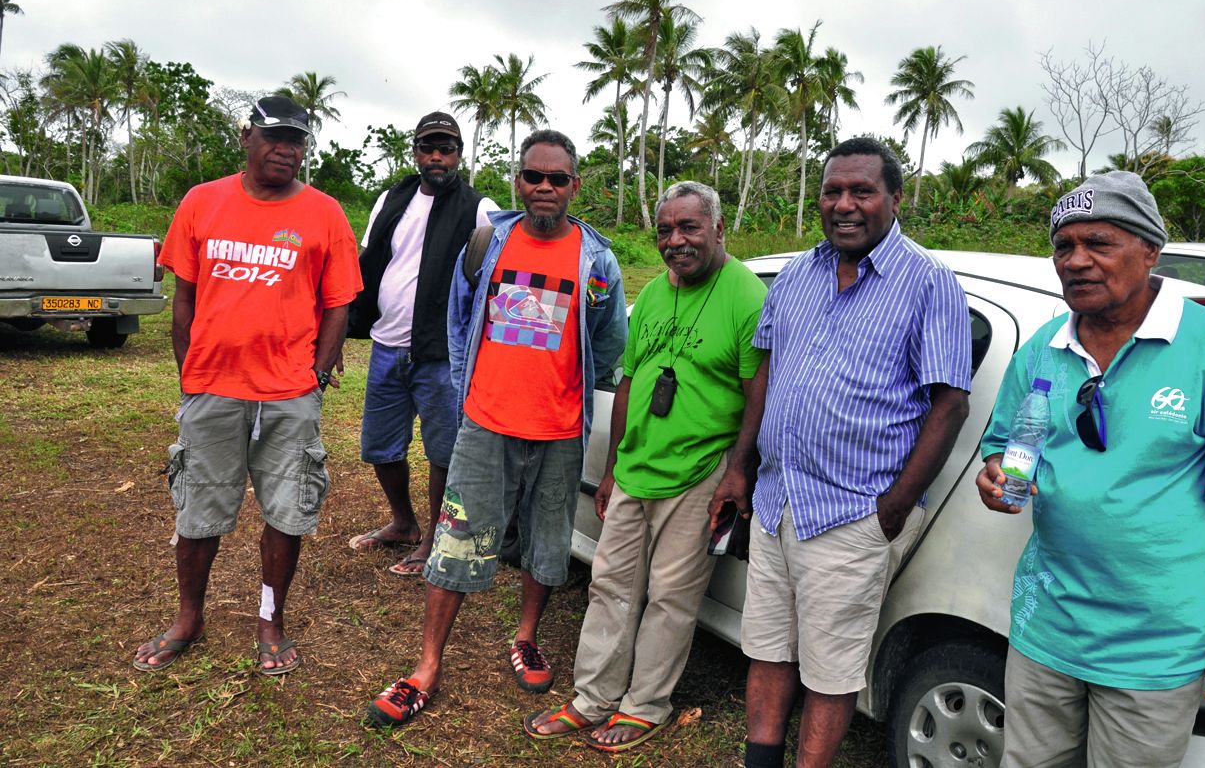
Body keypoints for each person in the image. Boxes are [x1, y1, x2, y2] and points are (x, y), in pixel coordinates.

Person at [975, 171, 1205, 768]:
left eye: (1099, 243)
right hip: (1046, 629)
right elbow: (1005, 444)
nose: (1076, 261)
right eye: (1063, 246)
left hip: (1154, 651)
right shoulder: (1044, 346)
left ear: (1150, 250)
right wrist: (995, 473)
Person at [709, 136, 974, 768]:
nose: (845, 204)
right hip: (777, 501)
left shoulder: (929, 282)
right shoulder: (798, 274)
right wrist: (741, 467)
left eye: (863, 191)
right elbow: (766, 373)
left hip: (853, 513)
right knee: (767, 648)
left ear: (895, 198)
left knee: (831, 670)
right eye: (833, 191)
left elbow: (950, 405)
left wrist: (892, 508)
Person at [365, 129, 627, 727]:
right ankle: (427, 665)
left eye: (557, 178)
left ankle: (526, 637)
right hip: (486, 422)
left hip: (561, 430)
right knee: (456, 539)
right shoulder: (487, 244)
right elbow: (460, 321)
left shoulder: (597, 261)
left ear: (574, 186)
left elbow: (609, 342)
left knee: (546, 541)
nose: (544, 187)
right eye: (533, 176)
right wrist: (471, 397)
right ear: (518, 181)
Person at [524, 181, 768, 752]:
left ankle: (645, 706)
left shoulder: (748, 296)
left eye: (689, 227)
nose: (676, 240)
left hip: (699, 471)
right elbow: (631, 382)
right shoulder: (655, 291)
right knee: (609, 585)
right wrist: (612, 466)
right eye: (665, 230)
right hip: (636, 467)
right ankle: (594, 697)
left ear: (718, 228)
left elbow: (759, 393)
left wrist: (738, 471)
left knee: (670, 597)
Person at [133, 96, 361, 676]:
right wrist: (190, 373)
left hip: (289, 394)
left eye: (297, 141)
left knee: (287, 513)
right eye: (275, 136)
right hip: (213, 388)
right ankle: (189, 617)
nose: (286, 149)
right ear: (247, 137)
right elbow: (184, 296)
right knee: (198, 512)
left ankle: (270, 620)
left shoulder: (326, 213)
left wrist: (316, 376)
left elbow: (338, 304)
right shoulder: (201, 201)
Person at [346, 111, 498, 576]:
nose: (436, 157)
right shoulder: (392, 198)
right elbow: (370, 260)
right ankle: (403, 522)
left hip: (441, 354)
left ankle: (433, 536)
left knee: (443, 451)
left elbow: (493, 277)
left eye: (445, 149)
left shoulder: (479, 207)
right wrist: (349, 321)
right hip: (387, 344)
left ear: (459, 155)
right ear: (415, 152)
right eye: (428, 148)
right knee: (379, 445)